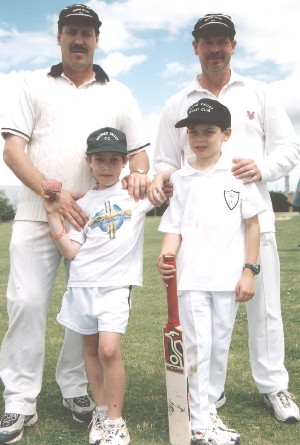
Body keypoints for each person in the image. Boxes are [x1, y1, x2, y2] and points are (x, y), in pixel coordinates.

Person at [0, 4, 150, 444]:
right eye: (71, 32)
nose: (79, 39)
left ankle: (75, 389)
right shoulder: (30, 84)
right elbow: (12, 150)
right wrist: (54, 193)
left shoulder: (119, 93)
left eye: (87, 32)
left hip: (97, 222)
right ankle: (19, 401)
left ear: (97, 39)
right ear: (59, 36)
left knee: (81, 315)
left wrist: (139, 171)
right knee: (26, 303)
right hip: (37, 213)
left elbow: (138, 151)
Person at [151, 13, 300, 424]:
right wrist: (166, 180)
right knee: (206, 318)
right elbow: (165, 161)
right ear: (195, 46)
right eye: (206, 41)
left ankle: (274, 386)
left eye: (222, 41)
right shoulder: (176, 102)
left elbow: (290, 148)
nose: (214, 48)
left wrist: (263, 169)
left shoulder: (259, 93)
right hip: (200, 231)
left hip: (253, 219)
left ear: (233, 45)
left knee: (264, 307)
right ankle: (207, 396)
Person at [156, 98, 265, 445]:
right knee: (198, 348)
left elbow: (252, 226)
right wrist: (165, 255)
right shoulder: (181, 178)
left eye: (208, 131)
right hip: (191, 279)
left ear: (226, 133)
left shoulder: (237, 175)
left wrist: (249, 270)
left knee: (218, 348)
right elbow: (174, 227)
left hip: (228, 279)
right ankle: (199, 424)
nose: (199, 138)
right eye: (193, 132)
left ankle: (207, 411)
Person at [44, 127, 154, 445]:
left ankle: (116, 421)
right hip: (82, 284)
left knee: (109, 350)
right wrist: (53, 216)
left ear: (123, 162)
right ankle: (102, 412)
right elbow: (71, 251)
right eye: (100, 159)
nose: (107, 165)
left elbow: (167, 186)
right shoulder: (85, 202)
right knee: (91, 351)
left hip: (116, 286)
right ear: (89, 161)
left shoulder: (135, 194)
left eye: (114, 159)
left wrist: (144, 174)